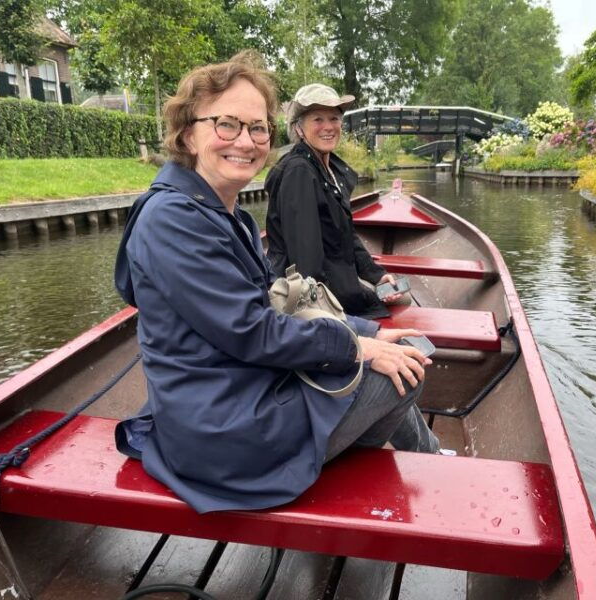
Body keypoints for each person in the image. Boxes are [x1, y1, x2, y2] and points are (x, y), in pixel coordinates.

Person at [113, 53, 440, 514]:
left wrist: (370, 333)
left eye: (257, 127)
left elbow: (270, 307)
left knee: (395, 359)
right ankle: (336, 486)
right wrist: (353, 347)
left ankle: (335, 467)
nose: (245, 141)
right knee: (402, 378)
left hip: (239, 389)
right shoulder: (172, 221)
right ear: (188, 134)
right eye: (227, 125)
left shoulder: (230, 216)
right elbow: (253, 330)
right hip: (219, 430)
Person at [265, 83, 408, 319]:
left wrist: (376, 276)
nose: (328, 127)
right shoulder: (299, 172)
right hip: (315, 293)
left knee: (397, 290)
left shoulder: (327, 168)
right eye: (318, 119)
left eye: (334, 118)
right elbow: (306, 264)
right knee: (404, 299)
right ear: (299, 128)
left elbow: (346, 237)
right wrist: (339, 310)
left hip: (338, 279)